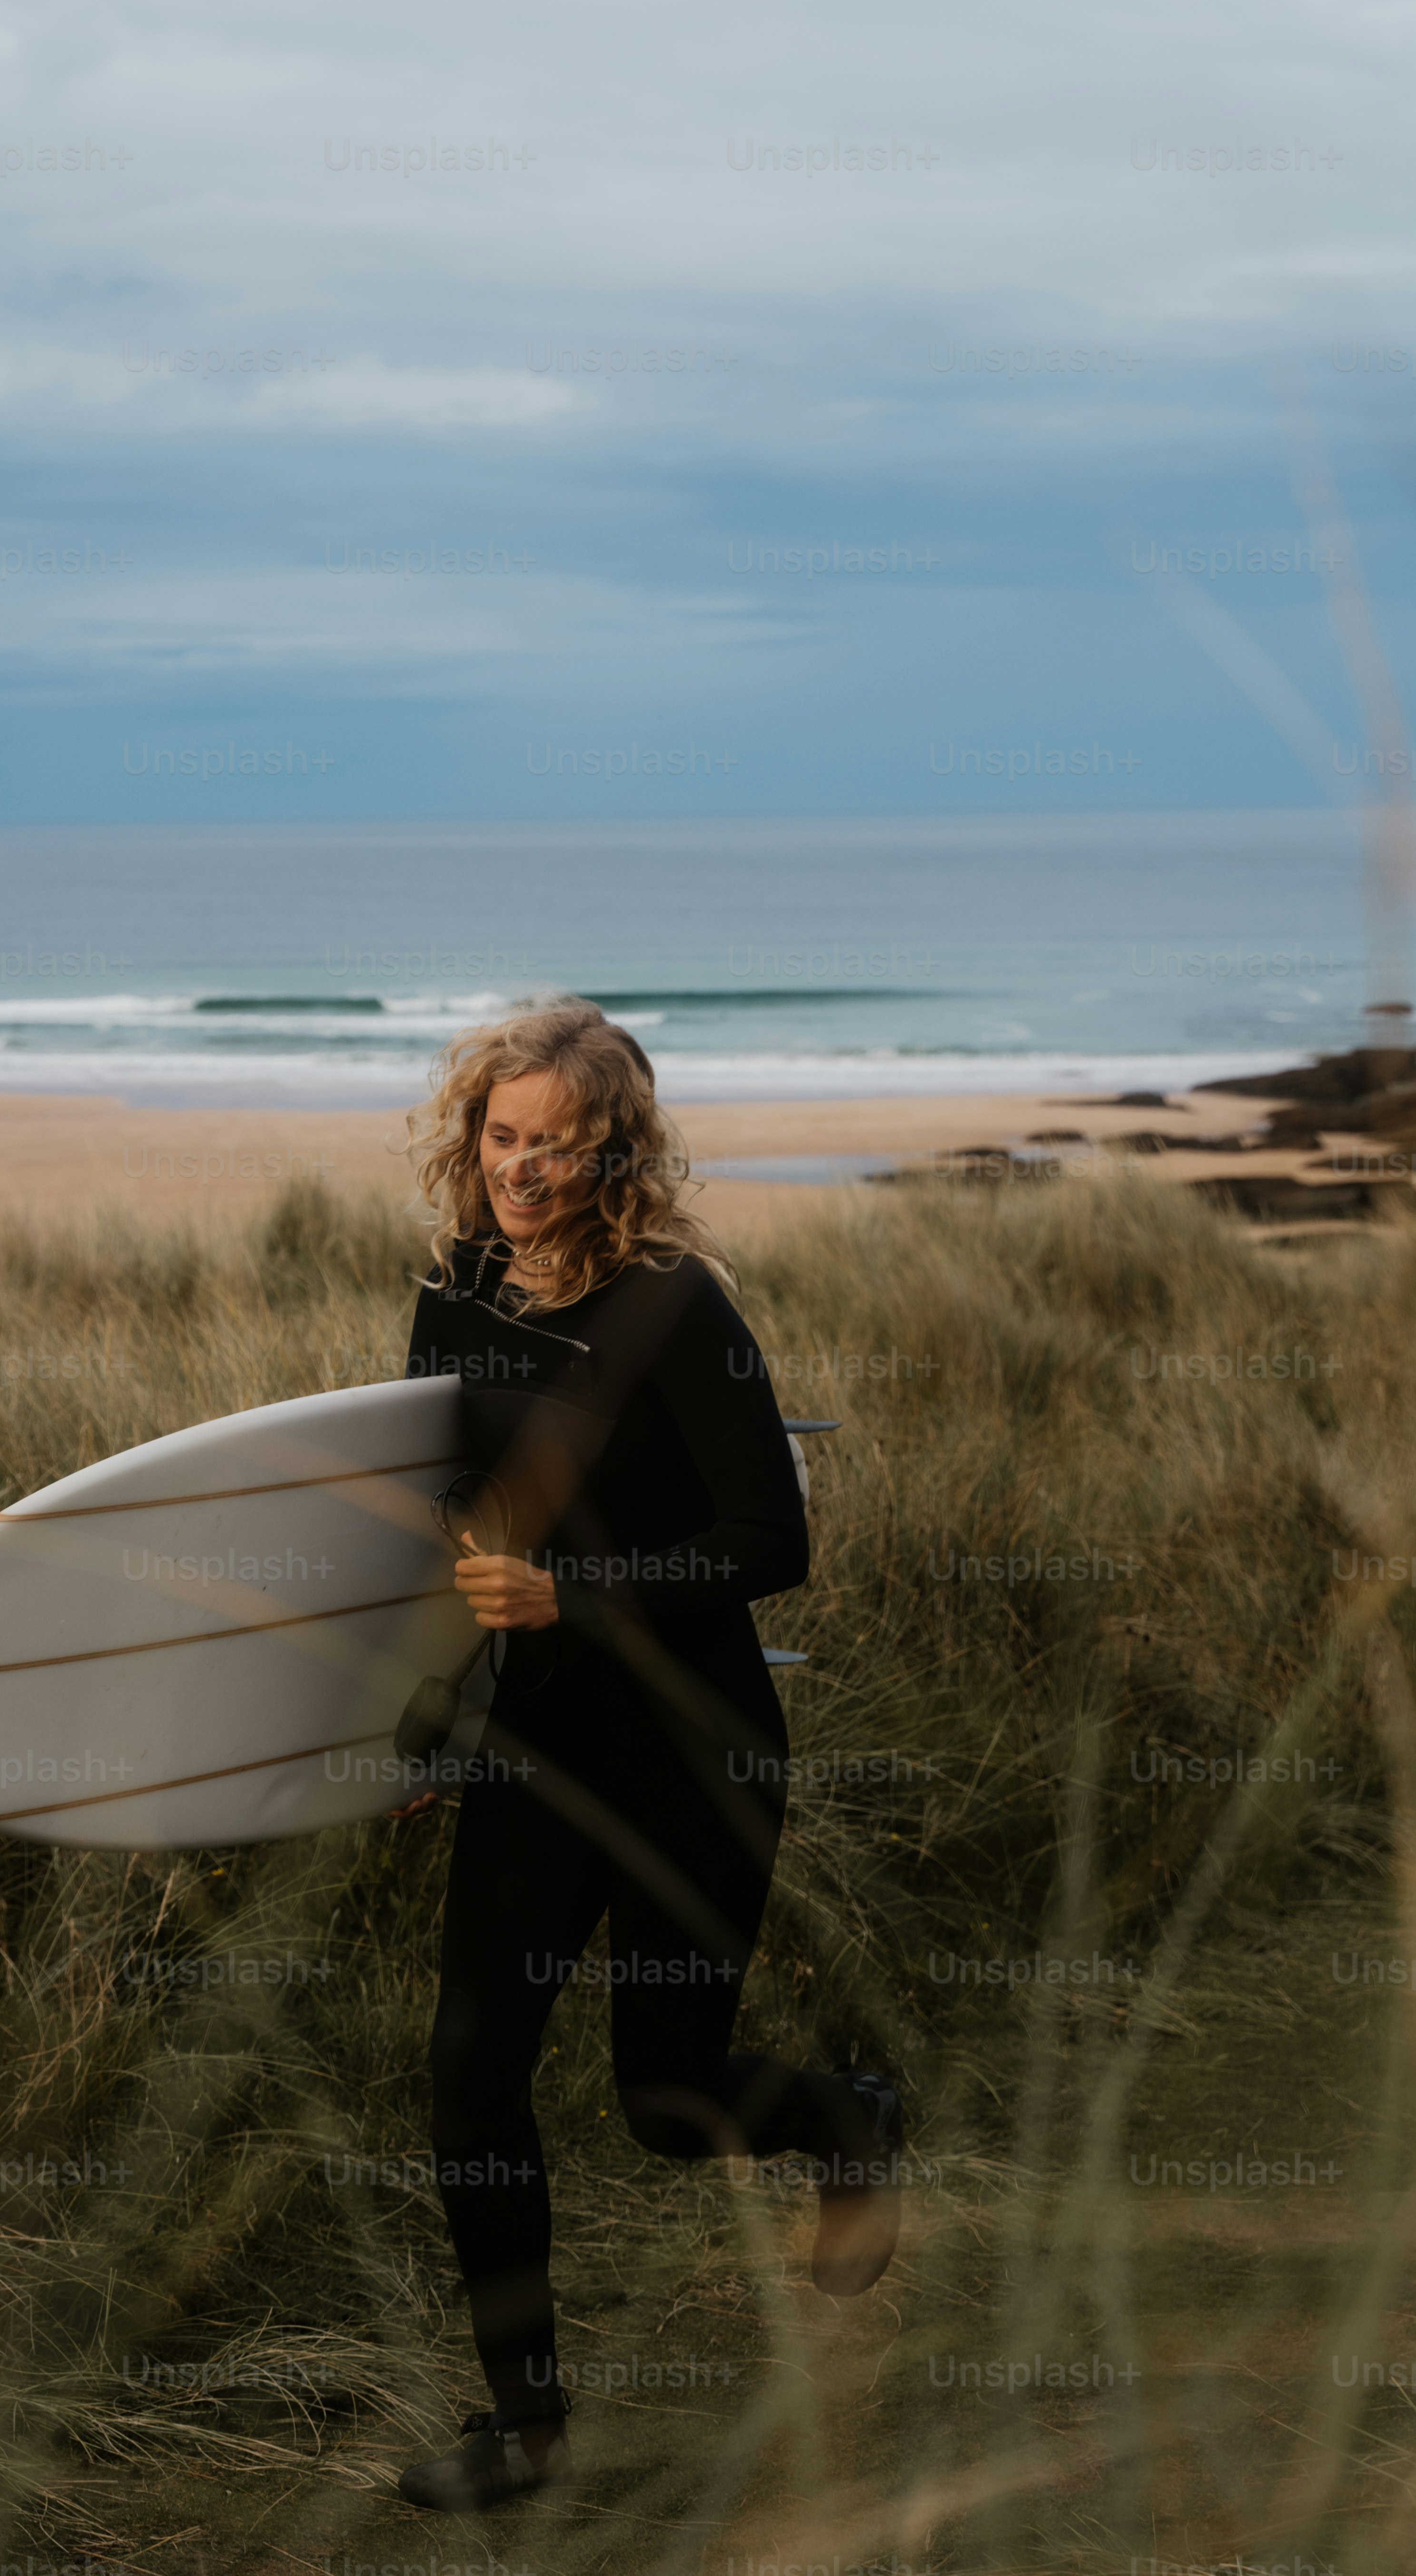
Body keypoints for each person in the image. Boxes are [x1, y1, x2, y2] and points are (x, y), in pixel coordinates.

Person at [388, 995, 904, 2515]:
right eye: (502, 1137)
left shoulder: (676, 1306)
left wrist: (577, 1595)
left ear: (612, 1146)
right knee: (472, 2081)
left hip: (695, 1746)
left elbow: (775, 1542)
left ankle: (847, 2116)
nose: (524, 1170)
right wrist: (432, 1710)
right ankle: (527, 2430)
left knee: (664, 2101)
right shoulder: (454, 1289)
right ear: (469, 1132)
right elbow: (455, 1524)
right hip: (536, 1749)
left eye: (556, 1143)